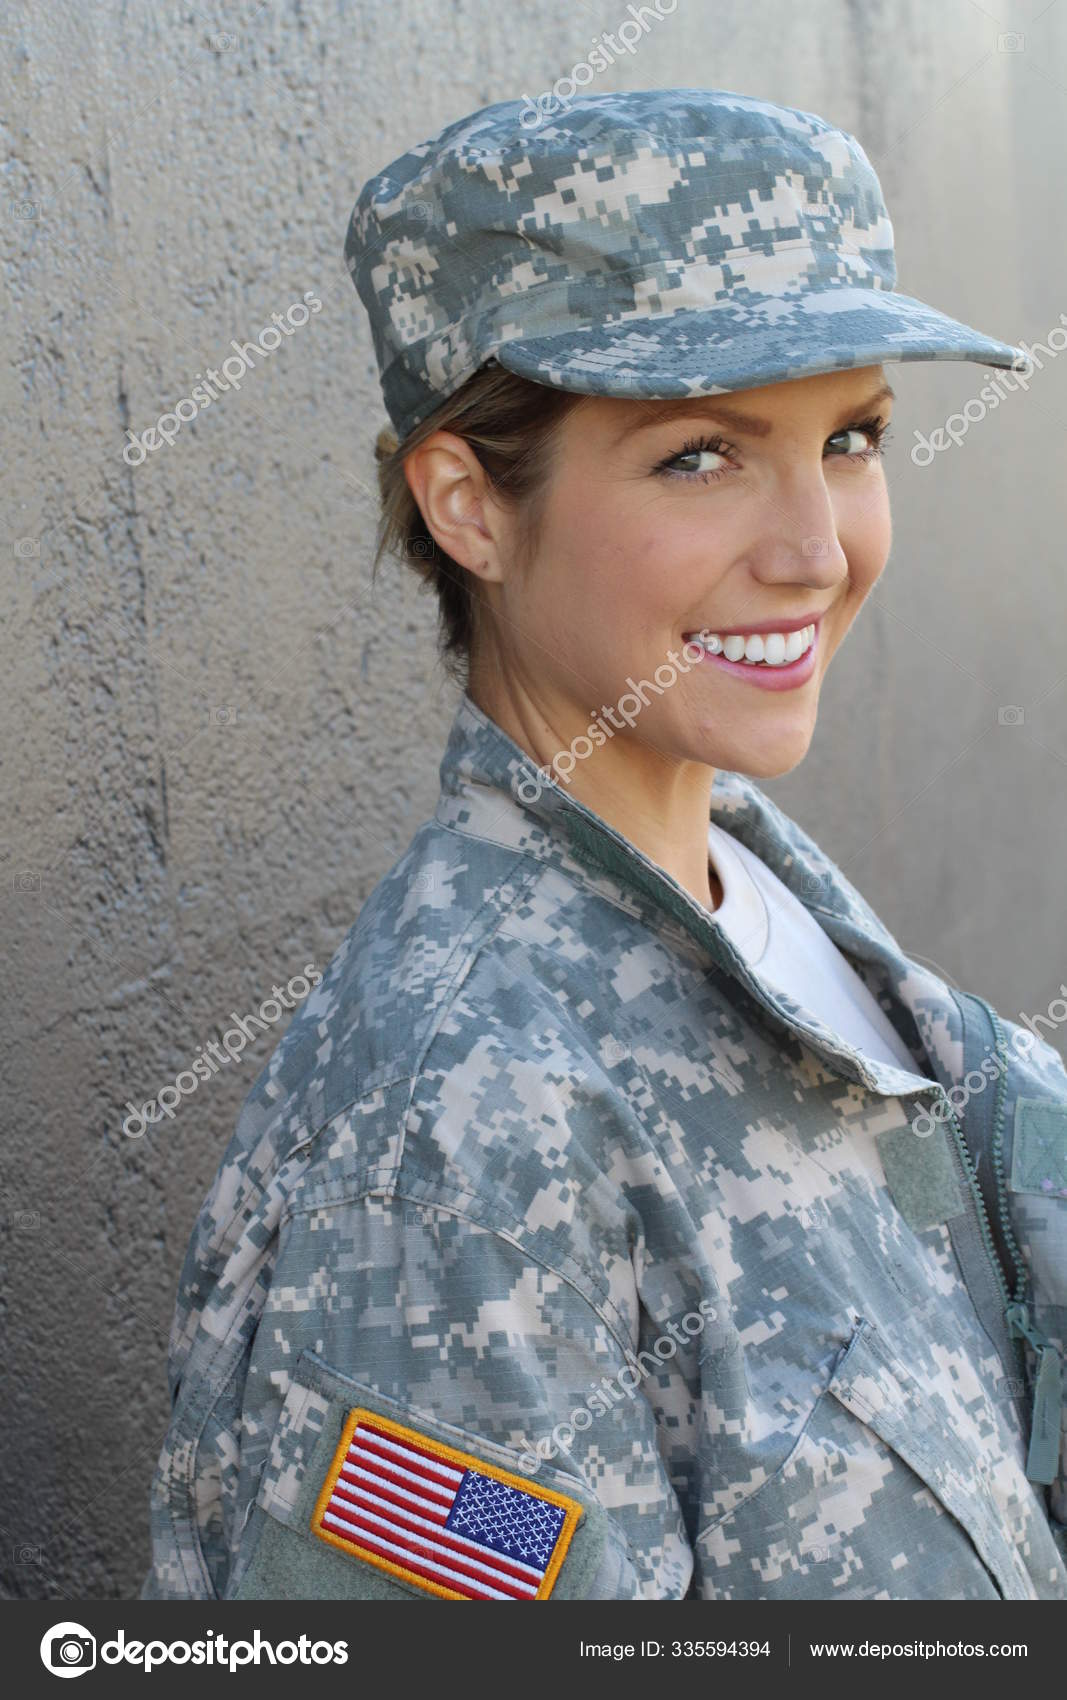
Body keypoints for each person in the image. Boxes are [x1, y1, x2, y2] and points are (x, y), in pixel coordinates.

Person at [141, 87, 1067, 1602]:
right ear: (468, 507)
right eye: (699, 455)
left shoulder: (775, 921)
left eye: (848, 436)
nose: (817, 551)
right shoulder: (459, 1136)